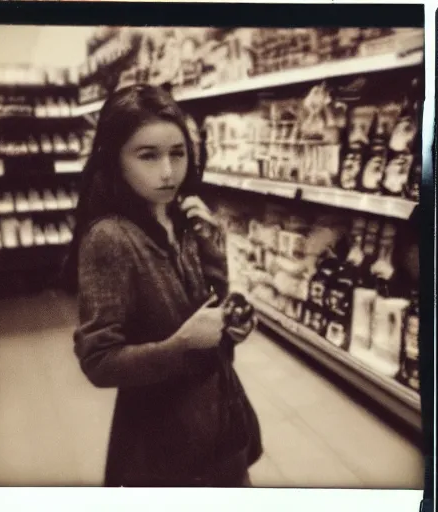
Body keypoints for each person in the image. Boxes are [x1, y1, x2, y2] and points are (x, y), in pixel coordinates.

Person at [65, 84, 262, 487]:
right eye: (147, 156)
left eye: (178, 153)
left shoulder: (183, 216)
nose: (168, 172)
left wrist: (228, 315)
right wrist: (181, 346)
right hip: (164, 447)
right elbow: (99, 362)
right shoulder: (111, 239)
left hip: (222, 422)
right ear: (114, 159)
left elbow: (208, 309)